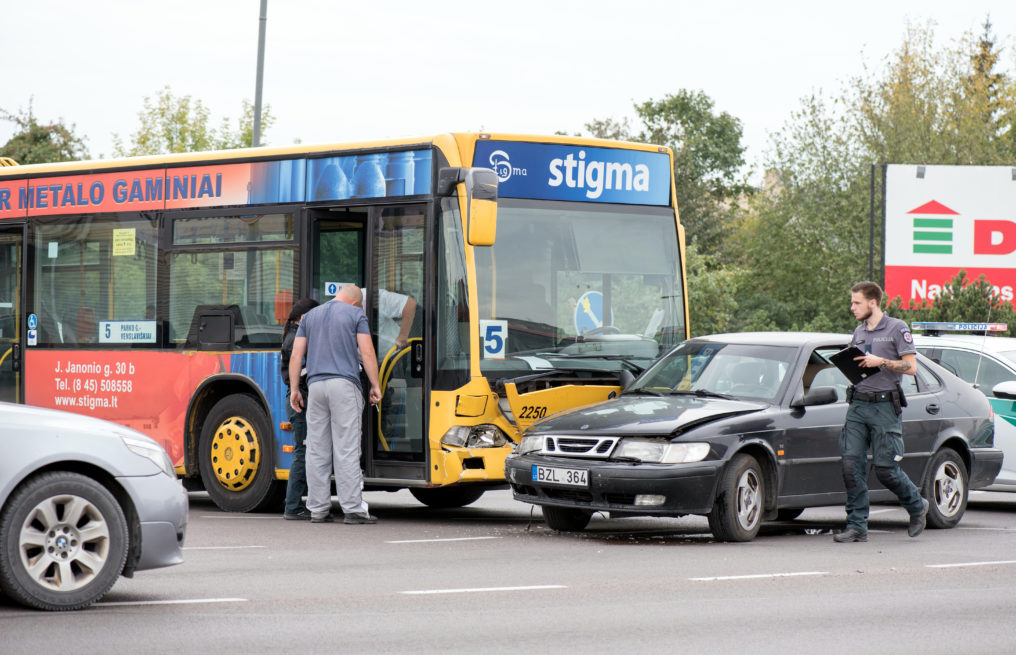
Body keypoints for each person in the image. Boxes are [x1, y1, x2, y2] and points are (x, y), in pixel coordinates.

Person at [834, 281, 929, 543]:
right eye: (852, 302)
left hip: (885, 406)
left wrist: (882, 362)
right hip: (858, 404)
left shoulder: (897, 328)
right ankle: (856, 526)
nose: (852, 307)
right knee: (850, 465)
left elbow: (911, 368)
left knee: (886, 469)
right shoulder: (859, 331)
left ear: (872, 302)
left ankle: (917, 506)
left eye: (857, 302)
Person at [290, 285, 382, 524]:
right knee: (347, 447)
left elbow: (296, 355)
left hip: (316, 386)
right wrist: (375, 385)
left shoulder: (310, 316)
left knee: (316, 449)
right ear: (355, 303)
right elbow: (367, 351)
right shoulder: (355, 314)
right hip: (344, 384)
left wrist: (294, 389)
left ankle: (318, 508)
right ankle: (353, 509)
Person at [280, 297, 319, 520]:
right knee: (302, 452)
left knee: (304, 451)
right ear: (303, 317)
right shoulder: (296, 339)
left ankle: (296, 504)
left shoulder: (294, 335)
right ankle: (293, 506)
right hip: (299, 402)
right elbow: (301, 372)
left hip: (299, 400)